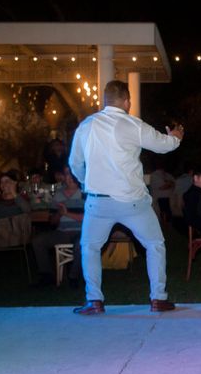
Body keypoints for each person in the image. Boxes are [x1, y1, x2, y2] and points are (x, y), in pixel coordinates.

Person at [69, 80, 183, 315]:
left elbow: (75, 163)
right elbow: (163, 146)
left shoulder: (86, 126)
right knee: (154, 245)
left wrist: (86, 182)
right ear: (127, 101)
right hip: (132, 201)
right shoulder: (132, 124)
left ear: (104, 100)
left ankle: (94, 301)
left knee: (90, 248)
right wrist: (176, 137)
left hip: (98, 201)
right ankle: (158, 299)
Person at [32, 167, 84, 287]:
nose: (70, 177)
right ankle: (47, 276)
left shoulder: (85, 193)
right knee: (38, 241)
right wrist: (59, 214)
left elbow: (85, 218)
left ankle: (73, 277)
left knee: (81, 244)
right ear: (63, 177)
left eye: (72, 174)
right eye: (67, 174)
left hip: (80, 231)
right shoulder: (58, 195)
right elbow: (52, 222)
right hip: (62, 232)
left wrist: (66, 213)